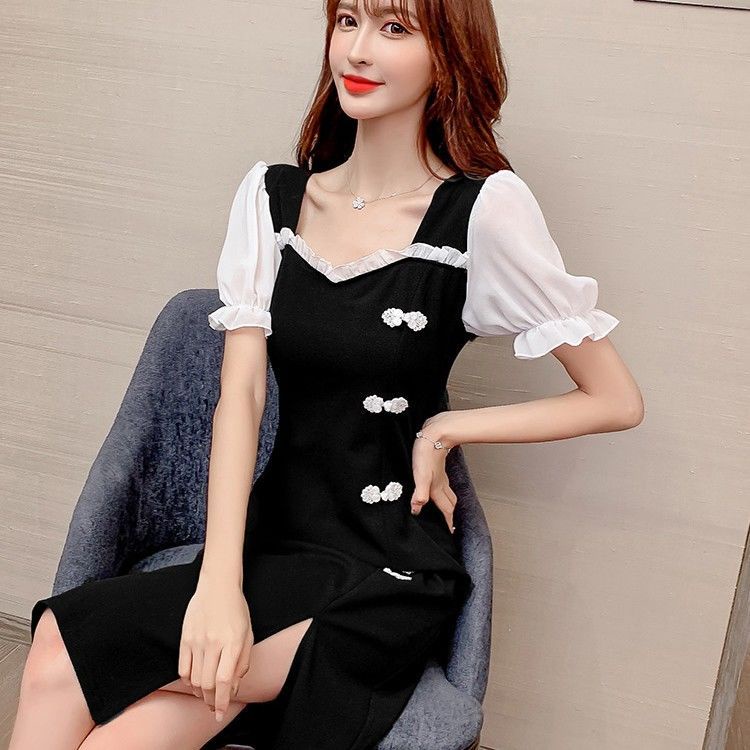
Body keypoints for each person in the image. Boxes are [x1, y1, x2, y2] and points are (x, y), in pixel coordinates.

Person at [10, 0, 644, 747]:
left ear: (449, 54)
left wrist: (447, 427)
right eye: (348, 20)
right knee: (92, 694)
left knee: (70, 663)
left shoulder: (481, 213)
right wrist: (218, 584)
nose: (359, 50)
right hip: (274, 545)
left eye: (395, 28)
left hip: (387, 568)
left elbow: (615, 399)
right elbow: (241, 398)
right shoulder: (272, 198)